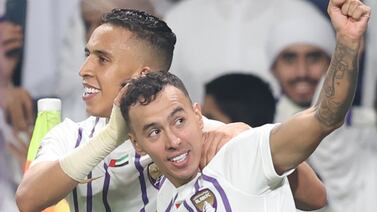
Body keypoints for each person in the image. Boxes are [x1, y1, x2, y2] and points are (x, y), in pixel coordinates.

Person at [16, 8, 327, 212]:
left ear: (142, 76)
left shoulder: (197, 133)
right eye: (87, 55)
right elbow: (28, 199)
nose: (84, 69)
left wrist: (248, 138)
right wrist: (111, 136)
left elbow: (315, 198)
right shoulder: (71, 136)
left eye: (102, 59)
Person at [120, 0, 370, 211]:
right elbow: (315, 197)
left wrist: (347, 42)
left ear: (198, 115)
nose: (173, 140)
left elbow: (325, 117)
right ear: (137, 144)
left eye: (179, 120)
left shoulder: (239, 151)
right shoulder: (163, 195)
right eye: (154, 131)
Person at [265, 2, 335, 122]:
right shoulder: (256, 130)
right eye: (289, 59)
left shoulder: (366, 129)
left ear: (331, 64)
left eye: (313, 59)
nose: (302, 72)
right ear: (273, 68)